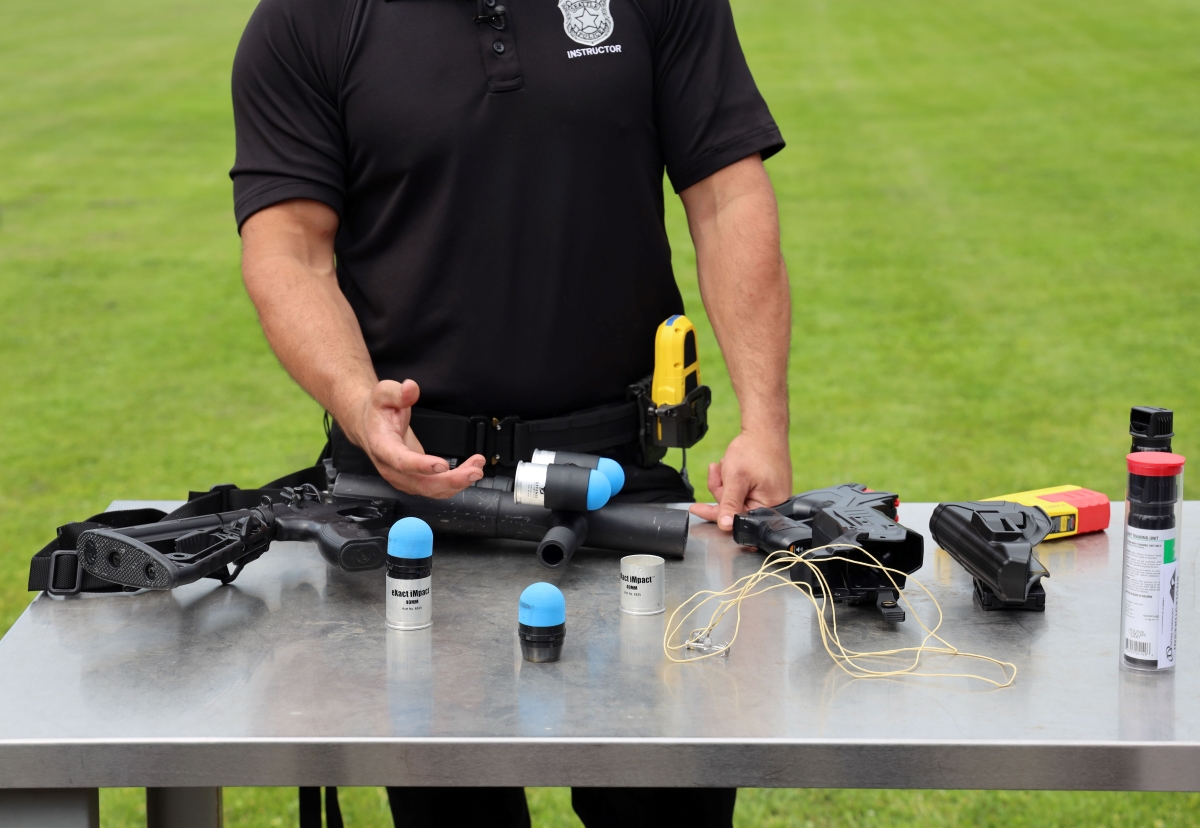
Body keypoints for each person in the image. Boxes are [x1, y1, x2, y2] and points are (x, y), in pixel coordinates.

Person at [230, 0, 792, 822]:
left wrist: (765, 424)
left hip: (621, 483)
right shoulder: (307, 18)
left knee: (666, 801)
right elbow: (288, 247)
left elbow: (727, 197)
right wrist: (358, 400)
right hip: (415, 498)